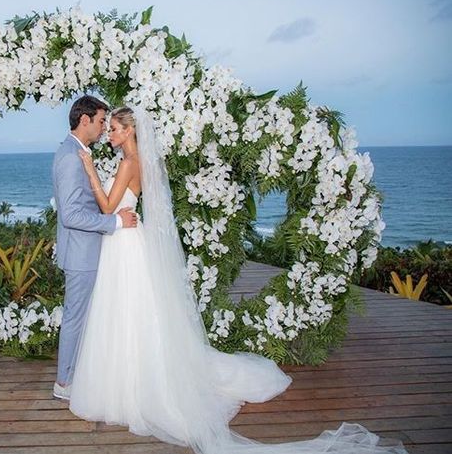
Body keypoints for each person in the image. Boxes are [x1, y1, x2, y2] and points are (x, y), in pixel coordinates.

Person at [68, 106, 408, 454]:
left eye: (113, 129)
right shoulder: (136, 161)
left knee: (127, 310)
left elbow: (108, 208)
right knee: (132, 311)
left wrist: (92, 173)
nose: (108, 133)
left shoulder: (128, 163)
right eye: (107, 128)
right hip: (127, 239)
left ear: (129, 131)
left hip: (124, 242)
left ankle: (129, 386)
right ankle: (130, 381)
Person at [51, 96, 138, 401]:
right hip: (81, 253)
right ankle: (64, 383)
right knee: (76, 317)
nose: (103, 129)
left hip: (91, 251)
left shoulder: (78, 153)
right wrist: (114, 224)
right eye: (102, 122)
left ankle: (79, 375)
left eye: (109, 124)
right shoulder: (70, 157)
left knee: (90, 316)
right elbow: (71, 215)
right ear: (84, 120)